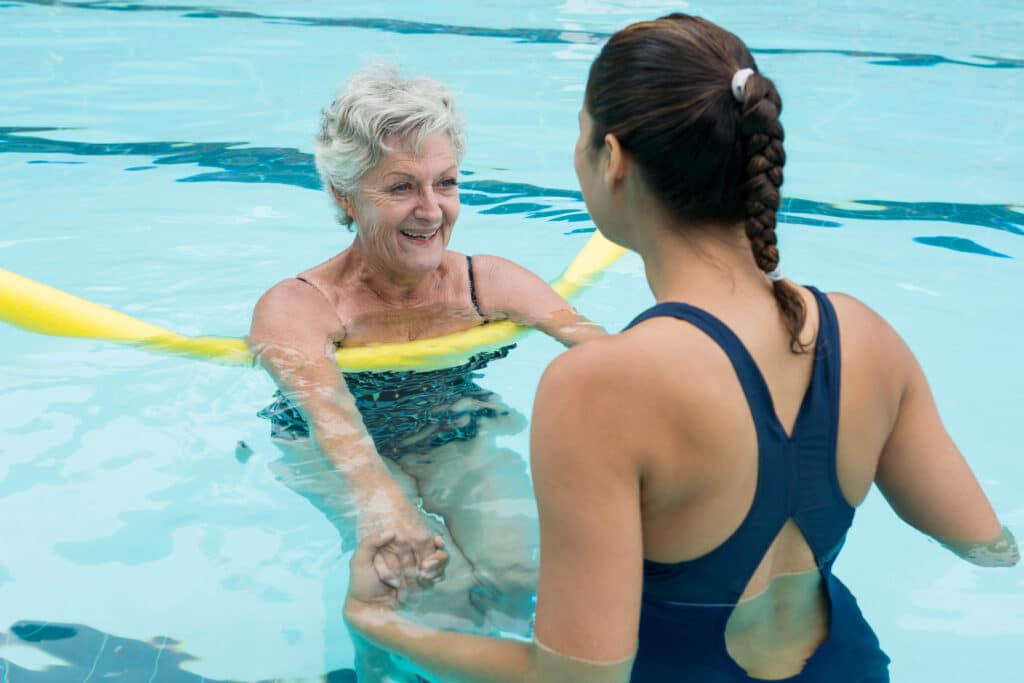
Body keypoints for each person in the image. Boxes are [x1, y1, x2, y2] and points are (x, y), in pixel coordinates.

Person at [342, 13, 1020, 683]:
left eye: (580, 137)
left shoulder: (600, 385)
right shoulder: (863, 333)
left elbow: (575, 679)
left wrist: (383, 625)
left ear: (612, 159)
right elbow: (985, 543)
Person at [247, 66, 604, 681]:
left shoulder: (484, 282)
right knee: (434, 589)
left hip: (449, 424)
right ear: (344, 194)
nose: (431, 211)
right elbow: (331, 418)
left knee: (522, 580)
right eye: (402, 188)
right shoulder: (299, 305)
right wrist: (383, 502)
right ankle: (372, 665)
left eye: (446, 183)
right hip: (330, 447)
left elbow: (600, 350)